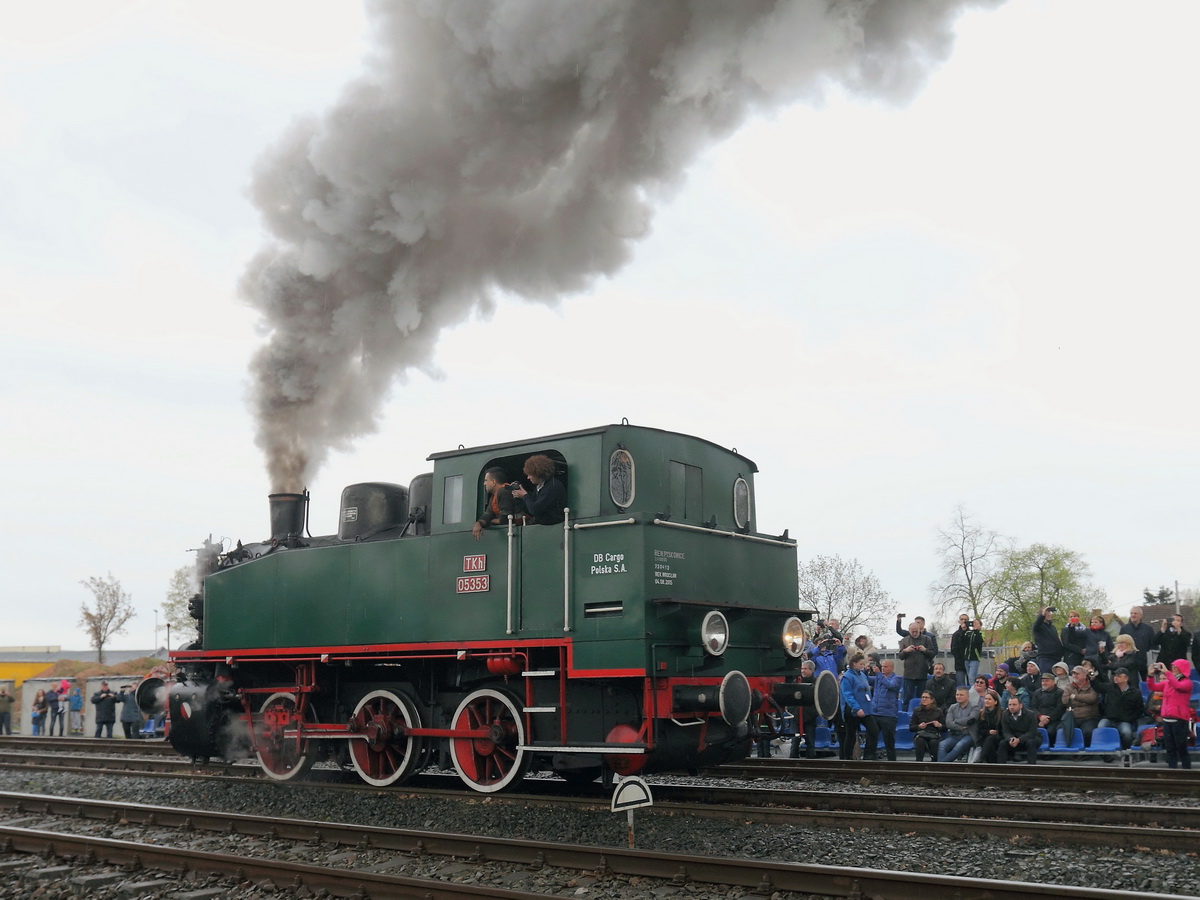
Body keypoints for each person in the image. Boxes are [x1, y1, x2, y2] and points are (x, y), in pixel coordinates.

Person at [1146, 658, 1194, 769]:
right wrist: (1150, 676)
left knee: (1181, 748)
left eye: (1175, 667)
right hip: (1167, 719)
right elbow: (1153, 687)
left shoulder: (1187, 683)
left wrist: (1167, 673)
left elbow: (1178, 686)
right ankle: (1172, 772)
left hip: (1180, 720)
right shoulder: (1168, 682)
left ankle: (1187, 772)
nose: (1173, 669)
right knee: (1170, 749)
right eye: (1172, 667)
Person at [839, 652, 879, 760]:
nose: (863, 666)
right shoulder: (847, 677)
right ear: (854, 663)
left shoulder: (862, 675)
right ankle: (847, 758)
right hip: (853, 710)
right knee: (851, 735)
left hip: (865, 708)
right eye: (861, 664)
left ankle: (869, 755)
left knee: (874, 730)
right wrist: (856, 708)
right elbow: (848, 695)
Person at [1096, 667, 1146, 750]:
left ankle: (1126, 753)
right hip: (1109, 719)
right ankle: (1105, 753)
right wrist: (1093, 677)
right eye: (1115, 675)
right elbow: (1097, 686)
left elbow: (1139, 709)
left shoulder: (1135, 692)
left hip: (1124, 721)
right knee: (1101, 727)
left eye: (1118, 676)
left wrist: (1129, 718)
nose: (1115, 677)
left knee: (1127, 733)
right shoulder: (1110, 688)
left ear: (1126, 678)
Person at [511, 454, 566, 526]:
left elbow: (535, 509)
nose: (528, 478)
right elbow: (530, 509)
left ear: (538, 473)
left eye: (530, 474)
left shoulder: (553, 486)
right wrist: (518, 498)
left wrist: (525, 495)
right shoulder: (540, 487)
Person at [472, 467, 520, 540]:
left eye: (486, 480)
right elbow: (487, 515)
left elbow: (505, 520)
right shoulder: (494, 497)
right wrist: (478, 523)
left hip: (522, 527)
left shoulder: (504, 491)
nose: (484, 484)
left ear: (494, 482)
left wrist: (491, 521)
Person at [1060, 665, 1102, 748]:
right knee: (1060, 729)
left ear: (1084, 675)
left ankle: (1085, 751)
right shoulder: (1069, 687)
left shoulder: (1092, 686)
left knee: (1087, 732)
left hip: (1089, 717)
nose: (1074, 676)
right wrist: (1084, 701)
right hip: (1073, 717)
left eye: (1077, 674)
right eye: (1073, 674)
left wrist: (1074, 697)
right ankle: (1072, 751)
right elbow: (1065, 701)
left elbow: (1092, 698)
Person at [897, 621, 936, 706]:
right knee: (907, 698)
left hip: (922, 673)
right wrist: (905, 651)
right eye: (912, 631)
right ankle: (906, 714)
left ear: (920, 630)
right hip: (909, 674)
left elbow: (932, 654)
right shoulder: (904, 640)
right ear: (909, 630)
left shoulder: (927, 639)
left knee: (923, 698)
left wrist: (925, 650)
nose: (914, 633)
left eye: (916, 631)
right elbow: (900, 656)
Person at [870, 658, 903, 761]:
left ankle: (892, 765)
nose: (883, 668)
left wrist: (878, 674)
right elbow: (865, 679)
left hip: (888, 715)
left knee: (889, 743)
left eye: (886, 666)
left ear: (892, 668)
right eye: (882, 666)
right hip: (875, 713)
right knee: (871, 741)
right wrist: (863, 670)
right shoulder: (878, 678)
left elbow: (890, 685)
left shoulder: (896, 679)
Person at [998, 694, 1042, 764]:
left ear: (1021, 706)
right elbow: (1006, 731)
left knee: (1031, 743)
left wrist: (1019, 740)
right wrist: (1011, 739)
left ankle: (1032, 768)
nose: (1011, 707)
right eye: (1010, 705)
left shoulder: (1031, 715)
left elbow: (1032, 732)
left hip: (1029, 738)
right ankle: (1001, 768)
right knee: (1002, 743)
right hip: (1014, 739)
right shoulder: (1005, 714)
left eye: (1014, 705)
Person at [937, 687, 977, 762]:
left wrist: (955, 721)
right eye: (957, 695)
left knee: (959, 746)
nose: (958, 696)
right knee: (942, 745)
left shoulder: (975, 707)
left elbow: (971, 719)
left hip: (968, 735)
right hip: (955, 735)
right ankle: (942, 767)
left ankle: (941, 767)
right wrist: (961, 728)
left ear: (968, 696)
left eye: (961, 695)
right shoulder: (952, 707)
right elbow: (948, 724)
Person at [790, 660, 818, 759]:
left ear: (811, 670)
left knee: (810, 742)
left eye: (805, 668)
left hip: (810, 718)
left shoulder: (817, 683)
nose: (803, 671)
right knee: (794, 742)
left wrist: (813, 713)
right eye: (802, 668)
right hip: (796, 717)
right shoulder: (795, 681)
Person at [1119, 606, 1155, 680]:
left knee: (1145, 683)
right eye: (1131, 613)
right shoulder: (1124, 629)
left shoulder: (1148, 629)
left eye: (1135, 613)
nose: (1133, 615)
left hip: (1144, 661)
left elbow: (1153, 645)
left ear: (1141, 615)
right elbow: (1120, 644)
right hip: (1128, 662)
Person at [1029, 671, 1064, 744]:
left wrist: (1047, 719)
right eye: (1043, 681)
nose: (1044, 683)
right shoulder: (1037, 693)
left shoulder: (1060, 692)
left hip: (1054, 720)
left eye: (1047, 681)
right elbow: (1033, 708)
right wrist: (1040, 717)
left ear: (1053, 682)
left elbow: (1059, 709)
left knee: (1050, 732)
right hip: (1039, 719)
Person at [909, 691, 944, 762]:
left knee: (934, 743)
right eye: (923, 697)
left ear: (932, 700)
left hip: (934, 734)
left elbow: (945, 727)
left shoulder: (938, 711)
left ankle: (934, 764)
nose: (924, 699)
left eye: (926, 697)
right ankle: (919, 763)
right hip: (921, 734)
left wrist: (939, 725)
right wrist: (919, 726)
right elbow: (911, 727)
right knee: (920, 741)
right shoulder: (917, 710)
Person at [970, 690, 1003, 763]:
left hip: (999, 737)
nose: (987, 701)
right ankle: (992, 765)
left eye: (989, 699)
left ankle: (980, 759)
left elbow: (1003, 729)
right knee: (990, 744)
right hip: (986, 738)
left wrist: (996, 732)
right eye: (986, 699)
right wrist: (988, 732)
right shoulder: (982, 713)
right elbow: (980, 729)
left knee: (990, 739)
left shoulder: (1001, 713)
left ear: (995, 702)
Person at [949, 614, 971, 687]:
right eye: (962, 619)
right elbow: (953, 648)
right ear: (959, 621)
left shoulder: (972, 633)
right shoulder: (956, 634)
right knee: (960, 686)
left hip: (971, 662)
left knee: (971, 684)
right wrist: (959, 657)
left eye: (965, 619)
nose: (964, 621)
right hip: (960, 663)